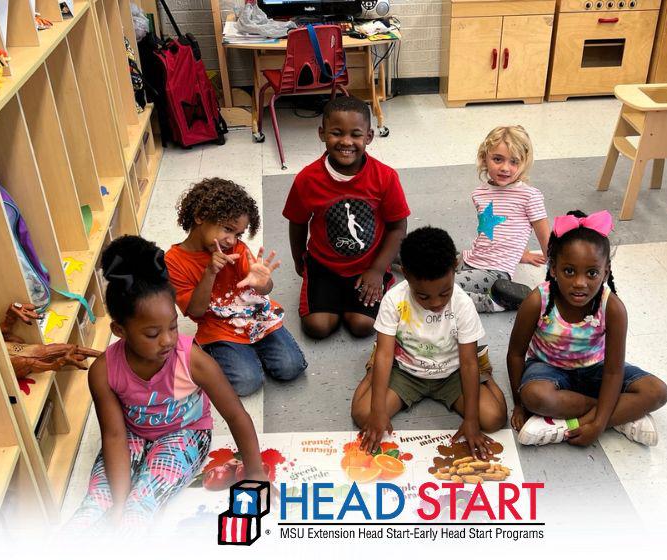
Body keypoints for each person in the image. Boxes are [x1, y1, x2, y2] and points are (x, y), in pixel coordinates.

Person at [68, 236, 264, 533]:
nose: (169, 339)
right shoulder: (103, 371)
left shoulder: (191, 359)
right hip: (132, 435)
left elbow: (236, 415)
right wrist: (117, 504)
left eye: (172, 326)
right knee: (95, 505)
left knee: (141, 506)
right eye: (152, 333)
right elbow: (114, 436)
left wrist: (255, 473)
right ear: (119, 330)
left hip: (185, 434)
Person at [506, 210, 667, 447]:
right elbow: (516, 354)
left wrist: (598, 424)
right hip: (548, 369)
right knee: (534, 396)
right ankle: (621, 414)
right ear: (553, 269)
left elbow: (613, 371)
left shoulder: (612, 308)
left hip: (597, 369)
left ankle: (569, 425)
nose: (580, 283)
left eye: (592, 273)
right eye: (569, 271)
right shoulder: (537, 301)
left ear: (606, 271)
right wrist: (519, 405)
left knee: (657, 391)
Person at [352, 227, 508, 459]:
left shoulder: (463, 304)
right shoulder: (394, 299)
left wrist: (472, 420)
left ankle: (487, 373)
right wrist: (377, 411)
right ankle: (370, 372)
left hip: (452, 373)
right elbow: (386, 355)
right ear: (405, 273)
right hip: (406, 373)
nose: (436, 303)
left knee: (493, 418)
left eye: (444, 293)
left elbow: (467, 363)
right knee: (364, 415)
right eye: (423, 296)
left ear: (455, 269)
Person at [283, 96, 410, 340]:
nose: (346, 142)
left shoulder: (386, 177)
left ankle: (387, 274)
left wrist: (377, 269)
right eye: (337, 133)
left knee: (362, 326)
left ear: (369, 137)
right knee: (317, 327)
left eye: (355, 134)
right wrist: (300, 261)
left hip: (368, 264)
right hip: (324, 265)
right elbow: (297, 222)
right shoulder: (307, 179)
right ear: (322, 133)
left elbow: (397, 227)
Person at [165, 178, 306, 396]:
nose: (232, 240)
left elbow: (263, 289)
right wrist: (210, 273)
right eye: (228, 229)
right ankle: (217, 352)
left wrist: (263, 283)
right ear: (200, 216)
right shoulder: (173, 261)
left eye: (238, 234)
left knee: (291, 368)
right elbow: (195, 311)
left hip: (257, 318)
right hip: (218, 328)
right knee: (247, 383)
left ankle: (247, 350)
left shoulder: (237, 248)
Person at [458, 125, 550, 313]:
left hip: (495, 273)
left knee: (437, 290)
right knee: (432, 265)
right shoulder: (479, 193)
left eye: (514, 162)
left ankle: (494, 302)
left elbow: (545, 238)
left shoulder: (529, 196)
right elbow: (503, 230)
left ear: (524, 163)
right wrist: (521, 254)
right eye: (498, 159)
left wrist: (556, 276)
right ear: (485, 158)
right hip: (470, 259)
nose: (505, 168)